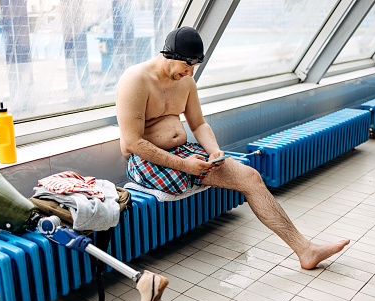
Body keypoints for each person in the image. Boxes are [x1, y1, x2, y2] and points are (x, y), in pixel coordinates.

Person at [116, 26, 350, 270]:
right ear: (170, 55)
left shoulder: (185, 81)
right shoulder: (136, 80)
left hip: (182, 151)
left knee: (250, 177)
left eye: (195, 66)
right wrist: (185, 165)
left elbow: (199, 124)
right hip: (145, 160)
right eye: (188, 66)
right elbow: (133, 143)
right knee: (233, 175)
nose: (191, 72)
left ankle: (306, 250)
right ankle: (306, 250)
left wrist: (215, 151)